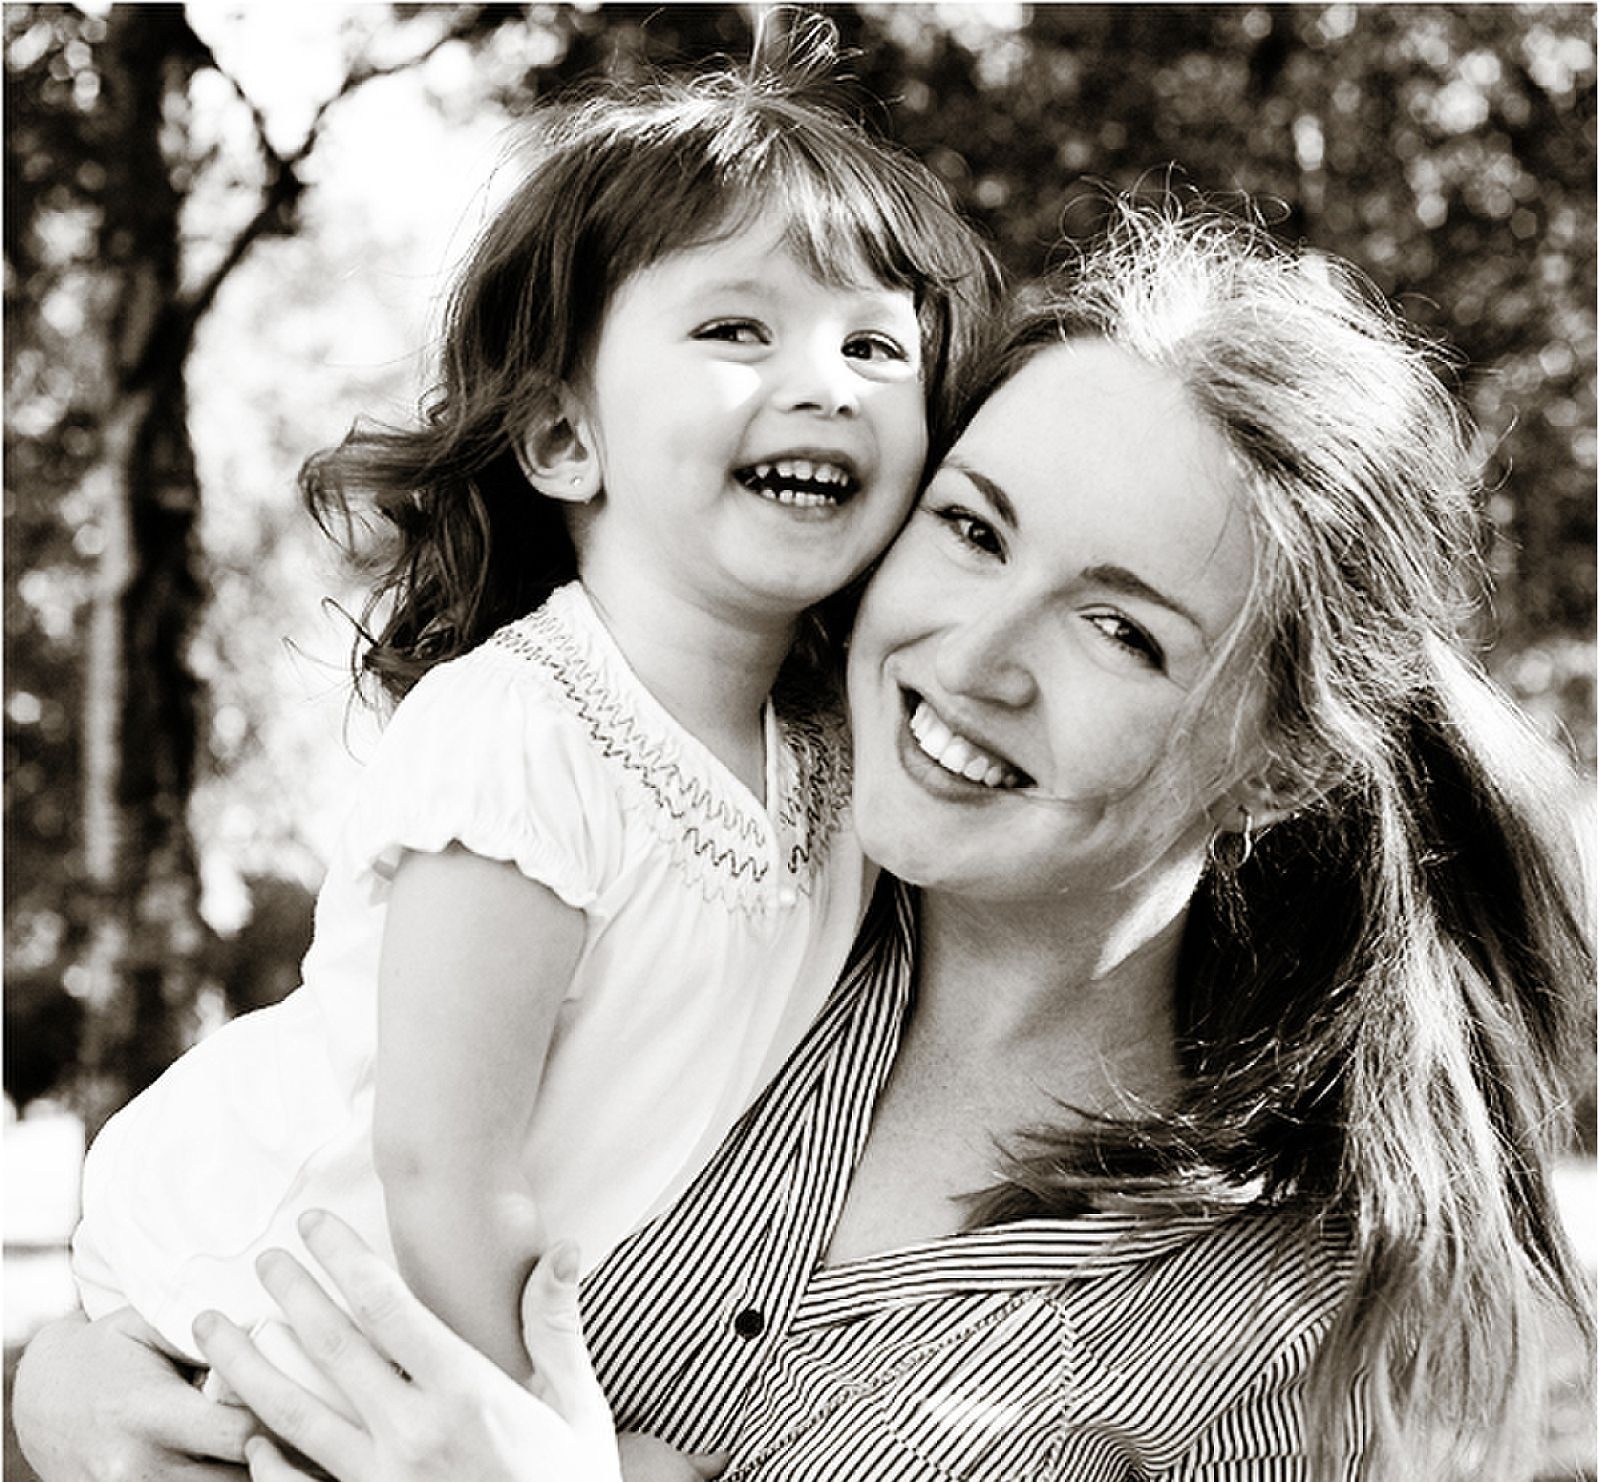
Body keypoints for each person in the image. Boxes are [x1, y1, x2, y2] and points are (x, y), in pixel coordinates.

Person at [18, 202, 1592, 1482]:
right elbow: (299, 1188)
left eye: (1120, 629)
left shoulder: (1277, 1344)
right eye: (971, 528)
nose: (973, 655)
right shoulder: (683, 899)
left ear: (1280, 772)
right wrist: (58, 1401)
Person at [62, 31, 1003, 1398]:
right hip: (285, 1274)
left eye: (874, 345)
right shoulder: (524, 737)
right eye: (736, 330)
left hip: (463, 1326)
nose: (826, 382)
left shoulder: (838, 749)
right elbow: (442, 1167)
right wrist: (539, 1444)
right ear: (566, 439)